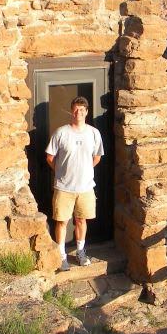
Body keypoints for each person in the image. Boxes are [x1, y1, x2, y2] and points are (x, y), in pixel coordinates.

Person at [45, 96, 104, 272]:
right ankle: (62, 256)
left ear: (87, 112)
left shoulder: (94, 133)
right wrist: (62, 172)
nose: (79, 112)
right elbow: (50, 157)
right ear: (72, 111)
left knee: (81, 220)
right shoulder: (61, 133)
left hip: (85, 187)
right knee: (62, 221)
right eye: (76, 109)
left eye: (83, 109)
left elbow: (97, 156)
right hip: (64, 187)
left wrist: (84, 170)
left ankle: (80, 252)